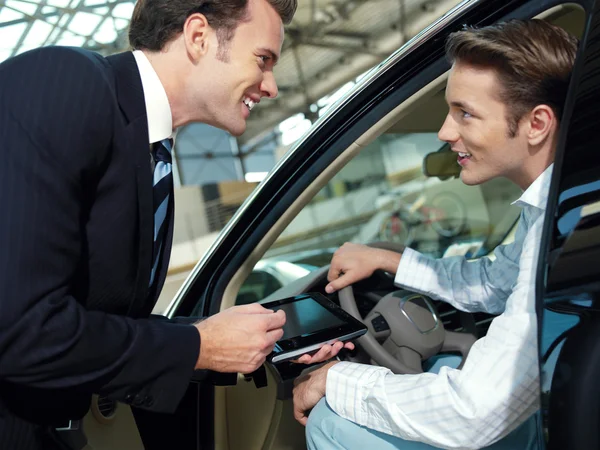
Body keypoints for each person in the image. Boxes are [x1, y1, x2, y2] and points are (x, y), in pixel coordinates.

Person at [0, 0, 349, 448]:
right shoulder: (63, 81)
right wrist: (199, 345)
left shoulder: (149, 154)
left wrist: (238, 343)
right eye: (263, 60)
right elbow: (19, 327)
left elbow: (97, 322)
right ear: (199, 36)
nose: (272, 87)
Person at [292, 19, 579, 450]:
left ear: (536, 124)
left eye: (465, 113)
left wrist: (337, 378)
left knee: (331, 422)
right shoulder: (557, 208)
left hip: (554, 417)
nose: (445, 132)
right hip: (561, 404)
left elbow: (474, 412)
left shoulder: (564, 226)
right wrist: (390, 260)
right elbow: (493, 282)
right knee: (442, 361)